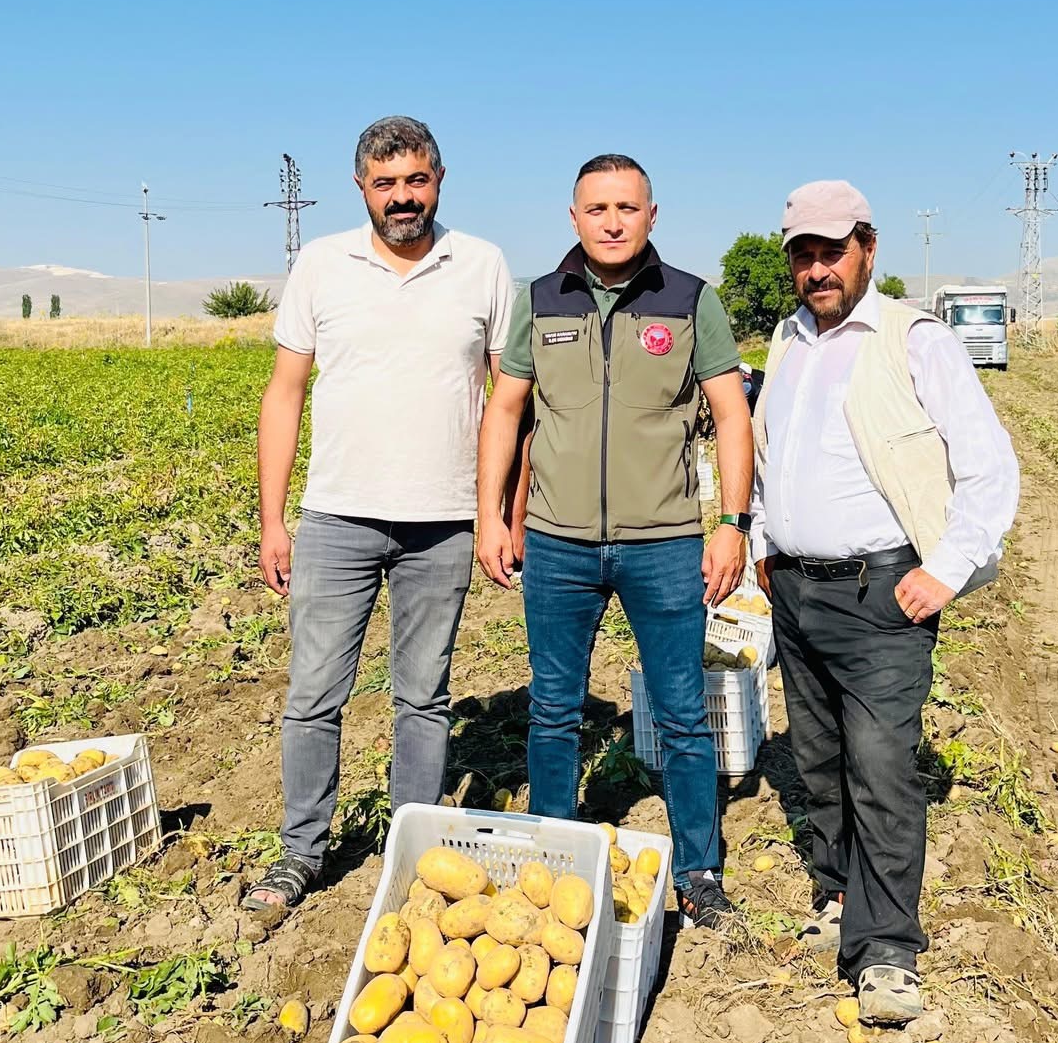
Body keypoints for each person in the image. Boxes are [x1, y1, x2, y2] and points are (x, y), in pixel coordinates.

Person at [751, 179, 1020, 1021]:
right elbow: (769, 456)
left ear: (868, 248)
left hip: (882, 596)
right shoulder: (787, 341)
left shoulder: (914, 340)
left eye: (833, 251)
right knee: (819, 760)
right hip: (797, 590)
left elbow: (989, 465)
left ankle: (888, 949)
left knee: (880, 768)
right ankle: (839, 894)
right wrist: (763, 540)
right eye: (803, 255)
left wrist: (947, 567)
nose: (818, 270)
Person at [243, 116, 516, 914]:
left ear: (439, 181)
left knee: (423, 698)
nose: (403, 197)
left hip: (444, 521)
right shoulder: (322, 265)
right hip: (337, 517)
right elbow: (284, 393)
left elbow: (511, 400)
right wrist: (272, 519)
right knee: (313, 695)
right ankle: (301, 853)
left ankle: (413, 852)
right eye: (386, 183)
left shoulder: (484, 265)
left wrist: (502, 512)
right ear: (362, 187)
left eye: (416, 180)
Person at [477, 153, 755, 927]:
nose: (611, 222)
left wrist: (731, 524)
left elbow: (731, 415)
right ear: (574, 218)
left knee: (682, 715)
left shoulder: (690, 300)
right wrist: (490, 514)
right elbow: (506, 411)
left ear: (651, 215)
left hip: (663, 543)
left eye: (627, 208)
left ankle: (698, 871)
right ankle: (555, 859)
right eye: (596, 209)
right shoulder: (540, 300)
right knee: (554, 710)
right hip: (557, 544)